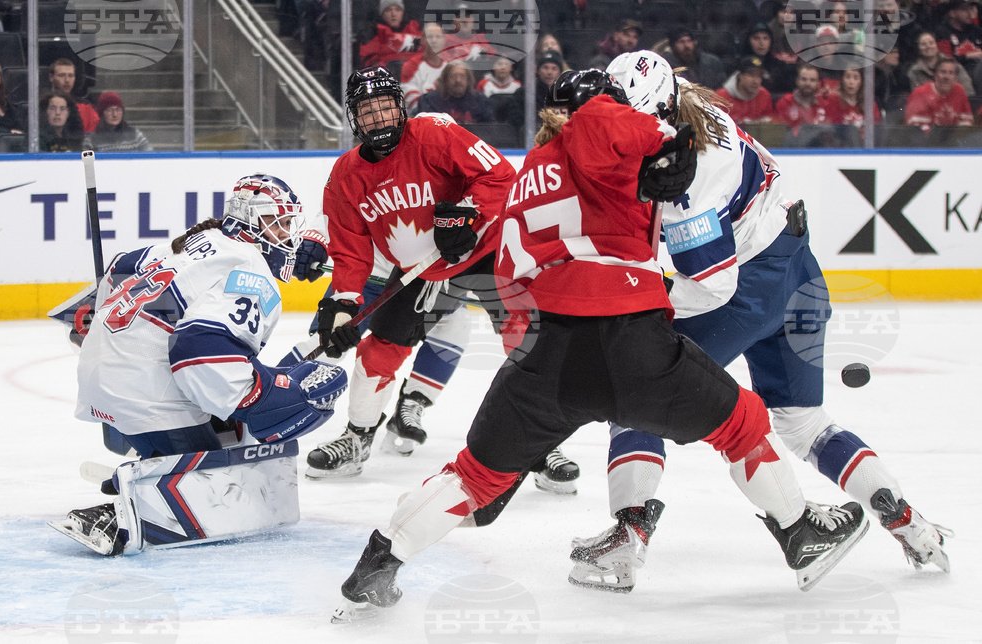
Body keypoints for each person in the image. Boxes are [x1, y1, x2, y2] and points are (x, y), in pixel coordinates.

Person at [331, 69, 868, 622]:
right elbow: (661, 146)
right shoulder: (606, 126)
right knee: (742, 423)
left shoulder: (533, 168)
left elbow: (514, 268)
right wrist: (669, 151)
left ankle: (378, 564)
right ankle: (800, 533)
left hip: (548, 355)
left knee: (474, 476)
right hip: (632, 343)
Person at [562, 51, 951, 593]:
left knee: (635, 396)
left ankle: (628, 540)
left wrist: (643, 297)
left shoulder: (682, 185)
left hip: (746, 289)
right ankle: (907, 521)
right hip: (799, 267)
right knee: (803, 421)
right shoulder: (696, 107)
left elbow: (712, 287)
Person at [306, 67, 579, 490]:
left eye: (384, 107)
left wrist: (468, 213)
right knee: (379, 352)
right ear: (353, 117)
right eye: (367, 110)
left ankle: (541, 445)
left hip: (485, 250)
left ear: (400, 107)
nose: (378, 118)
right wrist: (343, 304)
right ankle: (357, 438)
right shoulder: (345, 176)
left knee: (524, 338)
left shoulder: (433, 132)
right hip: (420, 270)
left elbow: (502, 176)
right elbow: (351, 250)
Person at [52, 174, 348, 556]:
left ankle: (152, 464)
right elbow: (198, 352)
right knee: (235, 463)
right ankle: (140, 506)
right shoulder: (250, 269)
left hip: (104, 380)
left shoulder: (187, 242)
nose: (288, 235)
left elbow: (105, 285)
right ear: (251, 222)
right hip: (147, 396)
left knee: (233, 396)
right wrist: (268, 396)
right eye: (281, 223)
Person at [905, 56, 974, 130]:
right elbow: (916, 130)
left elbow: (967, 122)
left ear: (955, 77)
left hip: (952, 139)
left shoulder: (959, 90)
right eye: (943, 72)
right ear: (935, 75)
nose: (947, 77)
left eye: (951, 73)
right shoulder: (919, 93)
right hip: (928, 140)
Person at [415, 60, 494, 123]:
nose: (458, 80)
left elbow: (490, 130)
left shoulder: (481, 100)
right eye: (453, 76)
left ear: (468, 80)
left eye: (462, 76)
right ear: (445, 79)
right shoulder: (429, 100)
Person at [358, 0, 422, 70]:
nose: (393, 14)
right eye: (388, 10)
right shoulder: (374, 33)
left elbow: (429, 57)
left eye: (398, 9)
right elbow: (369, 63)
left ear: (402, 12)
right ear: (382, 14)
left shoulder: (415, 29)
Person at [908, 31, 975, 96]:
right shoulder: (914, 72)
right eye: (923, 44)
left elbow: (967, 88)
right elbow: (916, 97)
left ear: (937, 45)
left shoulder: (952, 63)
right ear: (918, 49)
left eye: (931, 43)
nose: (928, 46)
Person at [399, 22, 447, 112]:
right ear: (422, 40)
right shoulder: (411, 65)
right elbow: (410, 99)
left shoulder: (450, 66)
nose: (434, 40)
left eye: (438, 36)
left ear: (444, 40)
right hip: (421, 118)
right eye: (430, 37)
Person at [935, 0, 982, 90]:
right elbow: (946, 60)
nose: (969, 13)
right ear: (953, 13)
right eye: (965, 9)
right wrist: (969, 56)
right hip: (960, 73)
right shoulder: (943, 32)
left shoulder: (976, 31)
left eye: (970, 9)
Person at [774, 63, 833, 134]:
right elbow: (779, 133)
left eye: (812, 80)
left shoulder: (825, 105)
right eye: (804, 79)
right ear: (797, 81)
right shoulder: (784, 103)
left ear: (818, 83)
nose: (808, 83)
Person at [84, 91, 152, 152]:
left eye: (118, 110)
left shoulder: (135, 134)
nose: (115, 114)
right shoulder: (91, 140)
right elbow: (87, 164)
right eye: (109, 110)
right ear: (102, 113)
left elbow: (150, 157)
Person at [717, 55, 775, 124]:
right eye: (751, 75)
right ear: (740, 75)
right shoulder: (721, 96)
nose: (755, 81)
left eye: (759, 75)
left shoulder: (764, 95)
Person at [48, 58, 98, 132]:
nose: (67, 80)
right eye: (62, 75)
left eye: (70, 76)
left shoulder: (86, 107)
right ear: (51, 77)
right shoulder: (43, 104)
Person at [743, 21, 793, 94]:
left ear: (771, 41)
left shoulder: (780, 66)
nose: (761, 43)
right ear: (748, 41)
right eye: (756, 38)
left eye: (765, 38)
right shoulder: (740, 65)